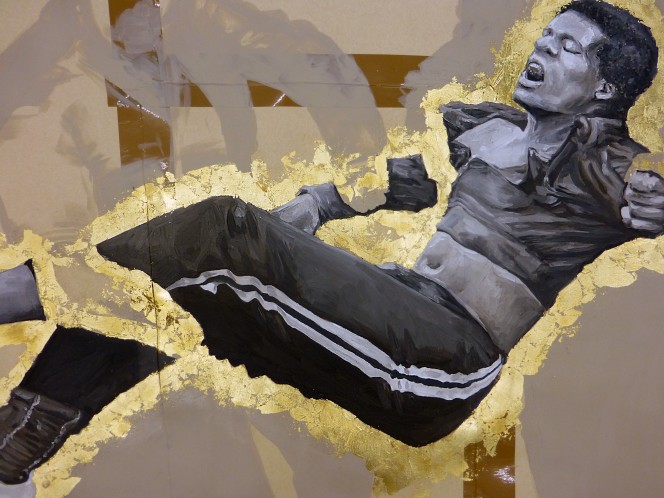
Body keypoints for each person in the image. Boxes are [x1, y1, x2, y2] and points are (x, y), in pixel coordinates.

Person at [1, 0, 664, 487]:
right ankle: (14, 452)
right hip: (397, 312)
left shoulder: (607, 162)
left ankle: (17, 293)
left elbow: (646, 186)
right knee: (168, 293)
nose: (542, 51)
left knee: (219, 228)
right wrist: (318, 203)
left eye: (567, 48)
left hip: (441, 362)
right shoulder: (487, 129)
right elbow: (405, 182)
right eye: (546, 36)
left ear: (605, 86)